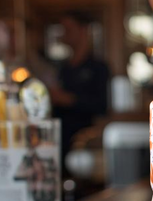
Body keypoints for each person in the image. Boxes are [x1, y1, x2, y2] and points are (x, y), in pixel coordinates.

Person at [49, 11, 109, 165]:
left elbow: (102, 105)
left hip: (85, 142)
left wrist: (67, 99)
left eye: (68, 29)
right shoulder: (62, 69)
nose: (64, 35)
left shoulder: (98, 68)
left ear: (83, 31)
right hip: (59, 139)